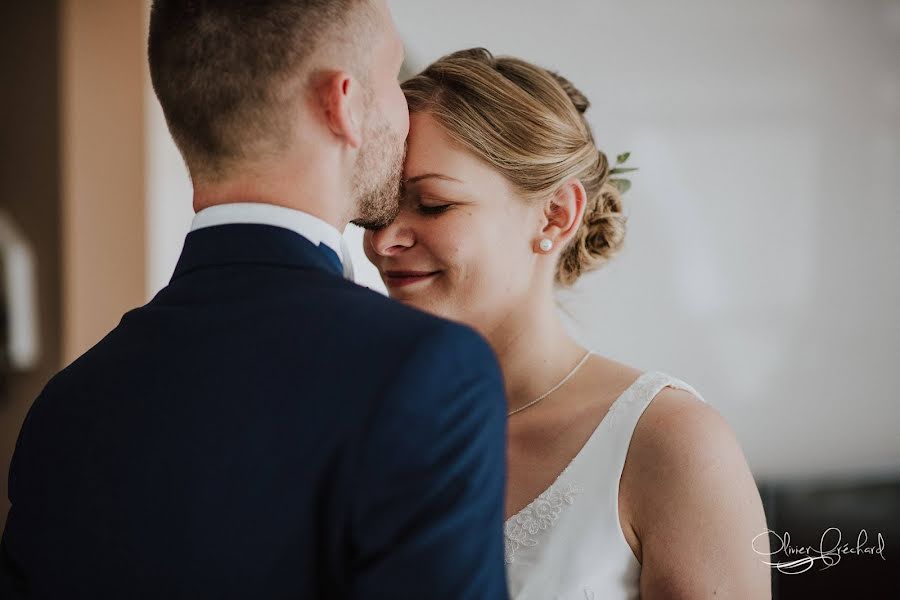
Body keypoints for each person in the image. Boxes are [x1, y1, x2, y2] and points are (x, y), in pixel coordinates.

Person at [0, 5, 509, 599]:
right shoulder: (428, 370)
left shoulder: (67, 403)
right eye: (393, 79)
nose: (406, 114)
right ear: (343, 103)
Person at [365, 47, 772, 599]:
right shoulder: (362, 423)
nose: (384, 241)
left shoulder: (669, 444)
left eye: (432, 205)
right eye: (377, 211)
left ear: (556, 215)